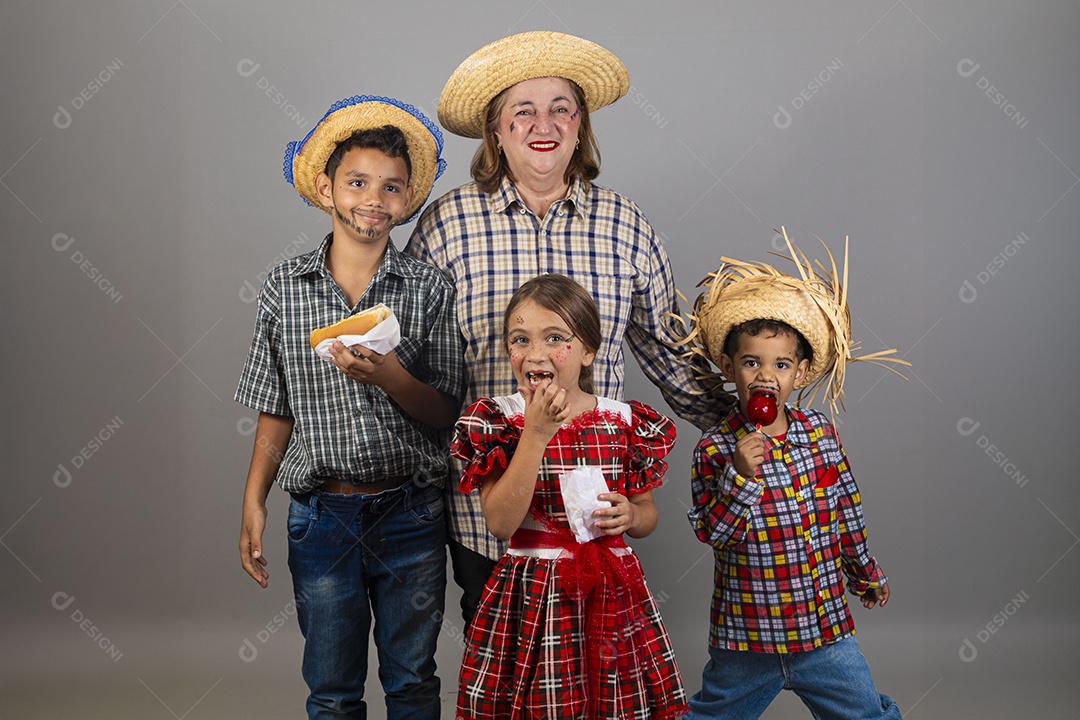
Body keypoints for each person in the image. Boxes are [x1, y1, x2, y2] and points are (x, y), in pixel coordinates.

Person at [406, 30, 733, 625]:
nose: (543, 124)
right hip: (490, 512)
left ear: (580, 126)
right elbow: (419, 366)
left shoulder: (624, 223)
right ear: (497, 131)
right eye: (523, 111)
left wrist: (736, 425)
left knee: (587, 669)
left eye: (561, 108)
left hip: (593, 508)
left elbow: (667, 352)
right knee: (509, 673)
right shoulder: (446, 224)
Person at [235, 95, 464, 720]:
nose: (374, 199)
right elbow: (273, 407)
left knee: (413, 679)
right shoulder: (286, 287)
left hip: (411, 512)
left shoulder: (427, 288)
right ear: (325, 185)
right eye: (357, 182)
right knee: (332, 691)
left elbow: (446, 410)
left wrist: (391, 376)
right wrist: (254, 498)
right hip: (320, 517)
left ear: (408, 197)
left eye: (392, 188)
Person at [680, 233, 907, 719]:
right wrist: (740, 477)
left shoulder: (821, 435)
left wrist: (863, 571)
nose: (766, 375)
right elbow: (712, 533)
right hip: (748, 636)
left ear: (800, 373)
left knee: (865, 714)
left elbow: (846, 509)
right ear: (728, 367)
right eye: (751, 362)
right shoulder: (716, 448)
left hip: (823, 633)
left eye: (781, 364)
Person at [451, 273, 688, 719]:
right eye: (519, 339)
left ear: (588, 352)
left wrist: (629, 517)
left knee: (614, 698)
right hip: (533, 590)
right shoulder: (497, 421)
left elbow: (647, 516)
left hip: (610, 591)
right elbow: (501, 524)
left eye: (555, 338)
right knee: (539, 699)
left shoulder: (623, 422)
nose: (535, 354)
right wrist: (536, 434)